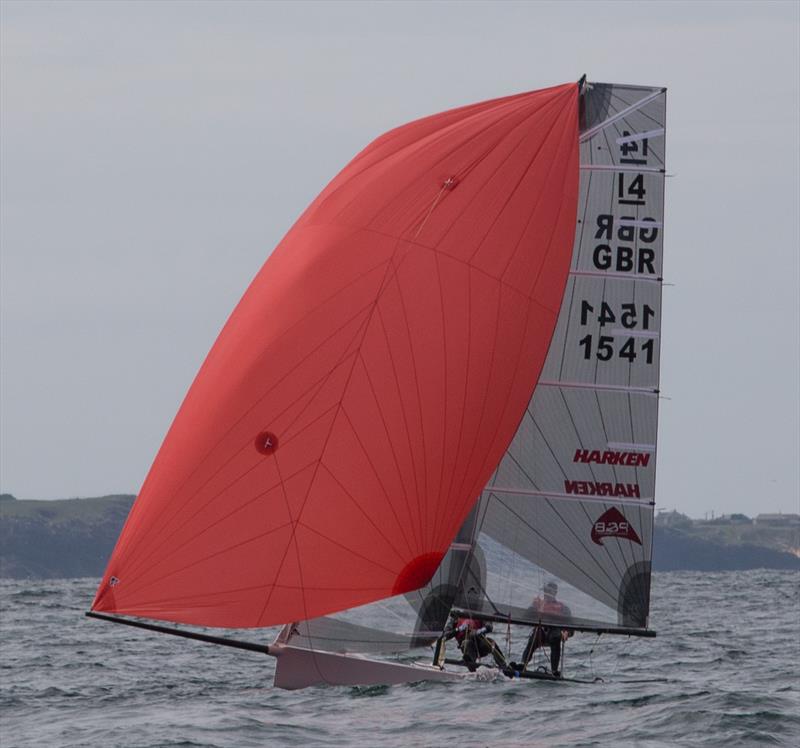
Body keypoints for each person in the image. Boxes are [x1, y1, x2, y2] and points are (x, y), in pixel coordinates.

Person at [442, 588, 508, 672]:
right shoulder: (457, 616)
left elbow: (489, 627)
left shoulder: (482, 613)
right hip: (467, 646)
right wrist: (459, 629)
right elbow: (445, 635)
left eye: (474, 599)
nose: (472, 601)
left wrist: (478, 632)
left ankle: (504, 667)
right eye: (469, 598)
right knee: (467, 643)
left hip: (480, 644)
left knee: (491, 643)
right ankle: (471, 667)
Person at [520, 581, 573, 677]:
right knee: (535, 634)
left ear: (555, 593)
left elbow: (571, 626)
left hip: (554, 633)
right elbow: (525, 617)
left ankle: (554, 671)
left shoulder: (562, 607)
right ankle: (523, 664)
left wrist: (567, 633)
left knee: (556, 635)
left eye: (549, 591)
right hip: (541, 634)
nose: (546, 593)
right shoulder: (538, 604)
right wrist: (533, 607)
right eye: (545, 591)